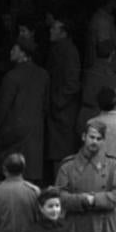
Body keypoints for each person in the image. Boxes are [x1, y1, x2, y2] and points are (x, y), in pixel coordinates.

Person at [0, 37, 50, 182]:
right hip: (35, 131)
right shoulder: (43, 74)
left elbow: (2, 108)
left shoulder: (12, 76)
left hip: (13, 133)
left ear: (24, 54)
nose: (11, 52)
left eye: (14, 49)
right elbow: (46, 105)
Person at [46, 16, 83, 167]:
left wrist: (56, 101)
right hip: (59, 109)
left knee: (62, 155)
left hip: (63, 111)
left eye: (54, 28)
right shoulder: (59, 49)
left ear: (64, 32)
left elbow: (72, 83)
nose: (50, 30)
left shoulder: (68, 52)